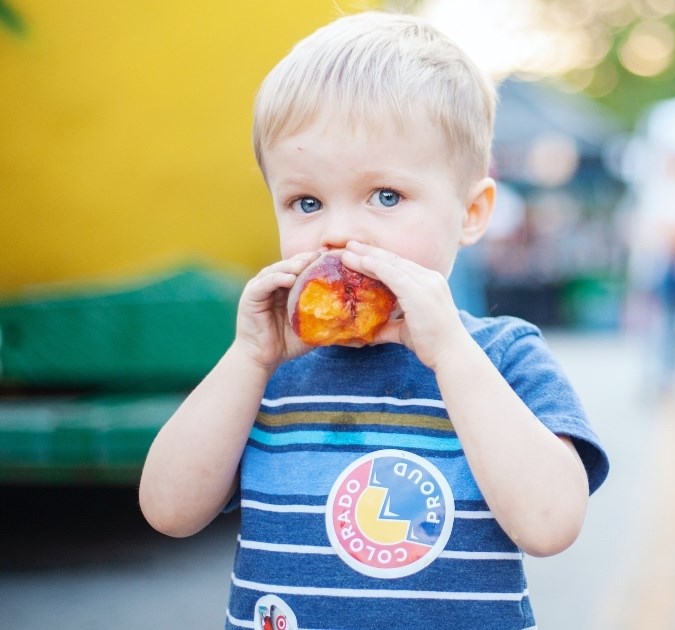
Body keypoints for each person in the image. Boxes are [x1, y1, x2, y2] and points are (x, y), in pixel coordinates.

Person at [137, 12, 609, 630]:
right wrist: (247, 360)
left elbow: (550, 524)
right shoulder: (269, 368)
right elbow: (168, 510)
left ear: (471, 212)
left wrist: (453, 355)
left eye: (385, 196)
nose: (336, 232)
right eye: (306, 202)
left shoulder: (503, 357)